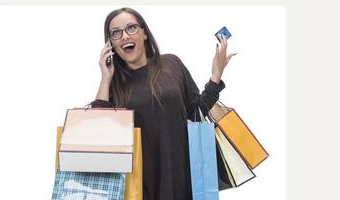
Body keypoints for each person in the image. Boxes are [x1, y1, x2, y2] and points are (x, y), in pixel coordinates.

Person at [91, 7, 236, 200]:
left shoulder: (171, 64)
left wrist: (216, 75)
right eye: (116, 32)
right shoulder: (114, 82)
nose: (125, 36)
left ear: (144, 33)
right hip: (140, 183)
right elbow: (99, 133)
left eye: (131, 28)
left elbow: (195, 112)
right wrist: (105, 77)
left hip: (181, 174)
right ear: (110, 43)